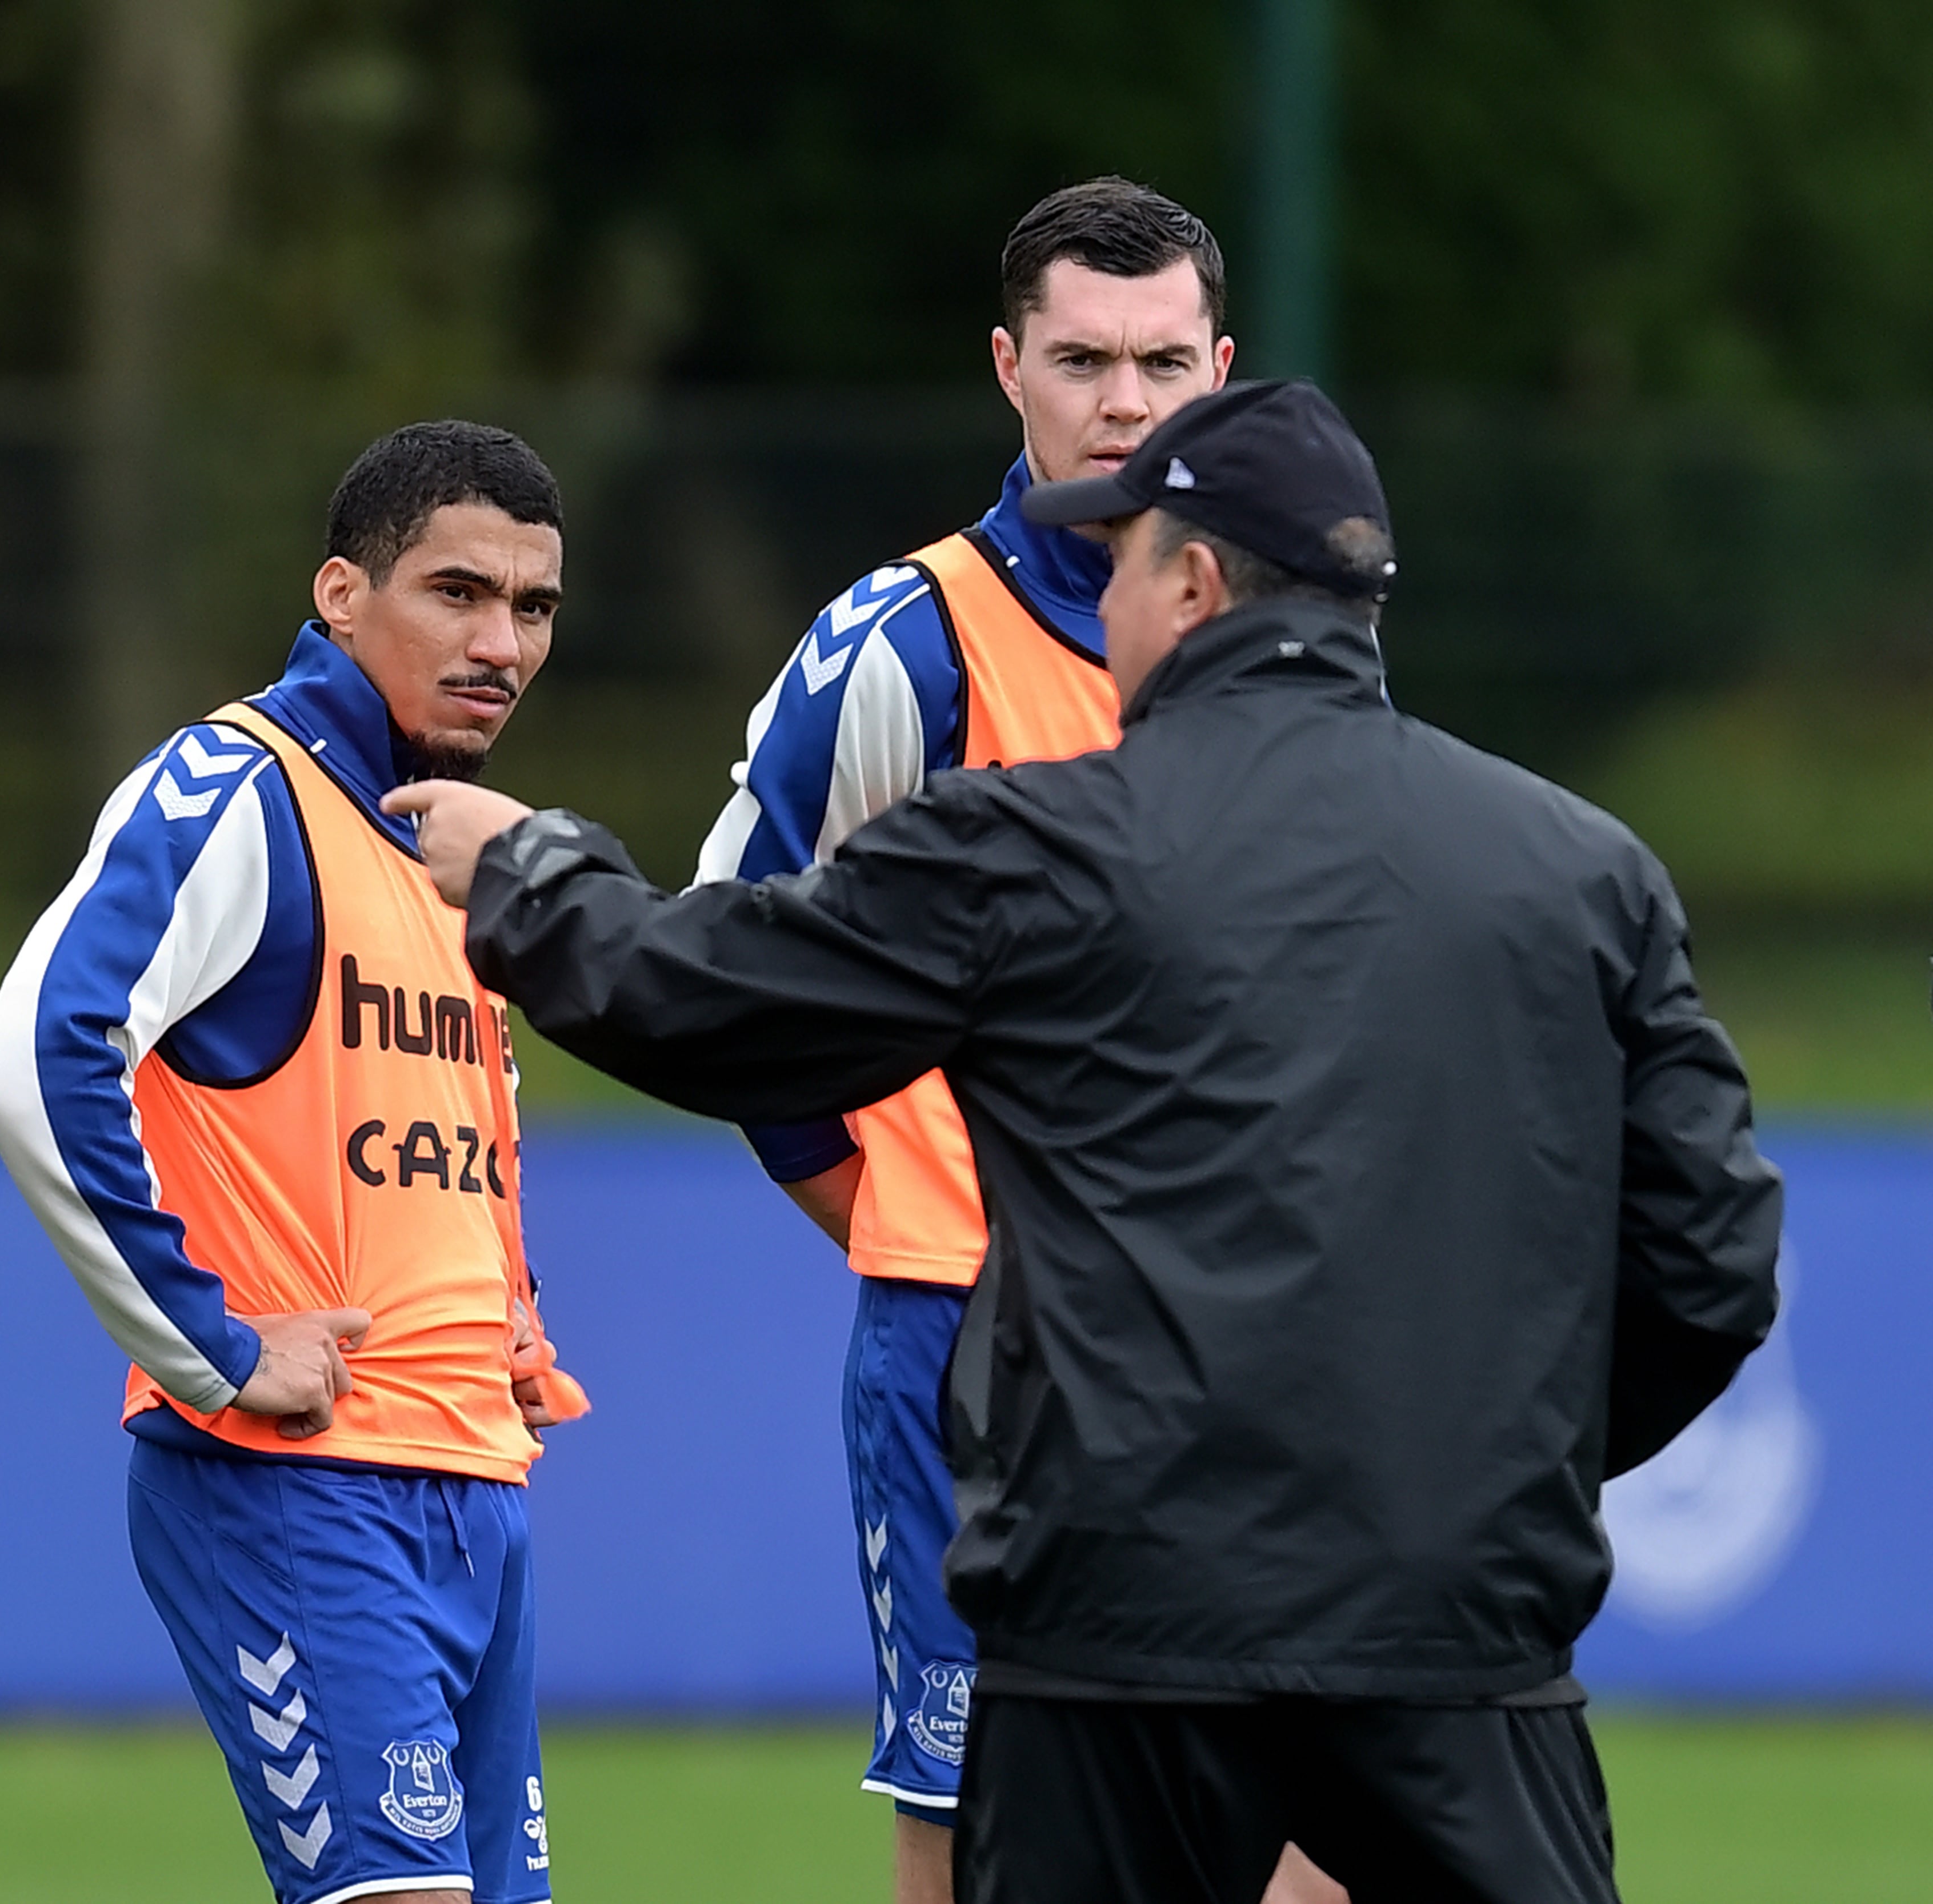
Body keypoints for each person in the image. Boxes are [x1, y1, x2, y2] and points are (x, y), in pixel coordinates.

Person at [389, 378, 1784, 1903]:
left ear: (1191, 582)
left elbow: (712, 1000)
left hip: (1121, 1635)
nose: (1100, 597)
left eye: (1116, 562)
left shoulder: (1040, 846)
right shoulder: (1585, 872)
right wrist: (1502, 1466)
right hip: (1458, 1629)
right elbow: (1711, 1256)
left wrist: (528, 875)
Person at [685, 174, 1360, 1904]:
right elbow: (725, 955)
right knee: (984, 1842)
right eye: (1081, 360)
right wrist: (886, 1215)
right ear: (1010, 369)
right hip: (980, 1352)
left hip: (1246, 1339)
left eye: (1158, 363)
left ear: (1220, 367)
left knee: (1323, 1832)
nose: (1122, 404)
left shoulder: (1301, 637)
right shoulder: (910, 643)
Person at [0, 421, 589, 1904]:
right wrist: (212, 1345)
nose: (499, 641)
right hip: (302, 1482)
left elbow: (423, 1114)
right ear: (339, 594)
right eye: (456, 593)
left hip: (471, 1482)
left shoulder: (455, 843)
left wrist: (510, 1306)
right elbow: (37, 1063)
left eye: (534, 608)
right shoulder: (239, 790)